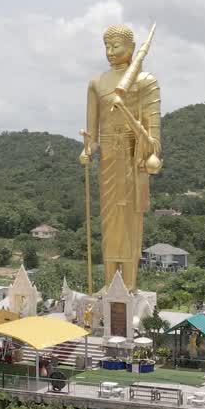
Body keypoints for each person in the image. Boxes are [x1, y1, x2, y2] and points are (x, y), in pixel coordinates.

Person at [79, 24, 162, 293]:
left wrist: (129, 117)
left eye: (117, 46)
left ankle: (129, 285)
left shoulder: (145, 81)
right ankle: (108, 284)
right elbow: (92, 132)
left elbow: (154, 138)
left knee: (129, 222)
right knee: (109, 221)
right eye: (107, 46)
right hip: (108, 160)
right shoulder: (96, 83)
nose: (110, 52)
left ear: (132, 48)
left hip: (132, 157)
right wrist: (87, 149)